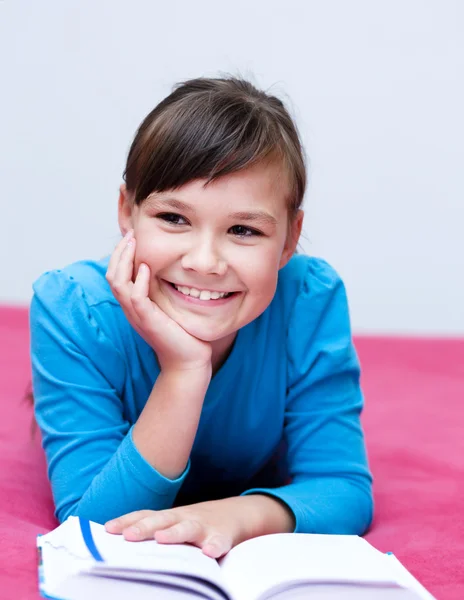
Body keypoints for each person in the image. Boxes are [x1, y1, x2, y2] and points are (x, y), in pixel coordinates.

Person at [29, 76, 373, 559]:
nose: (205, 262)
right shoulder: (71, 308)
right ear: (127, 212)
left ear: (290, 240)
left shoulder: (308, 299)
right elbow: (91, 523)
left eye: (243, 229)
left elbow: (342, 487)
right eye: (174, 219)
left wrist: (235, 515)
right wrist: (185, 369)